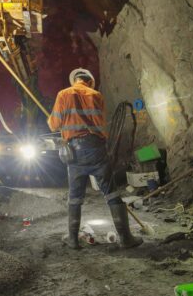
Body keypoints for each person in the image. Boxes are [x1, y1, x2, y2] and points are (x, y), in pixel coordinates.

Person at [48, 68, 143, 250]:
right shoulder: (96, 95)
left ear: (74, 80)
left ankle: (73, 240)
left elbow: (54, 124)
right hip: (96, 148)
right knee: (111, 192)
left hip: (74, 152)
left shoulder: (63, 94)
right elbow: (99, 123)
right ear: (89, 81)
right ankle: (125, 238)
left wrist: (55, 119)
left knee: (75, 197)